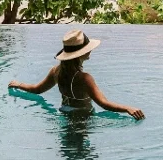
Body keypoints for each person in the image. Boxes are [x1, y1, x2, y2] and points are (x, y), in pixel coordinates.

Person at [8, 30, 145, 120]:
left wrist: (19, 84)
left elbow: (37, 89)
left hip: (64, 115)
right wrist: (128, 108)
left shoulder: (56, 71)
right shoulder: (85, 78)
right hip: (83, 119)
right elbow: (103, 103)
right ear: (80, 54)